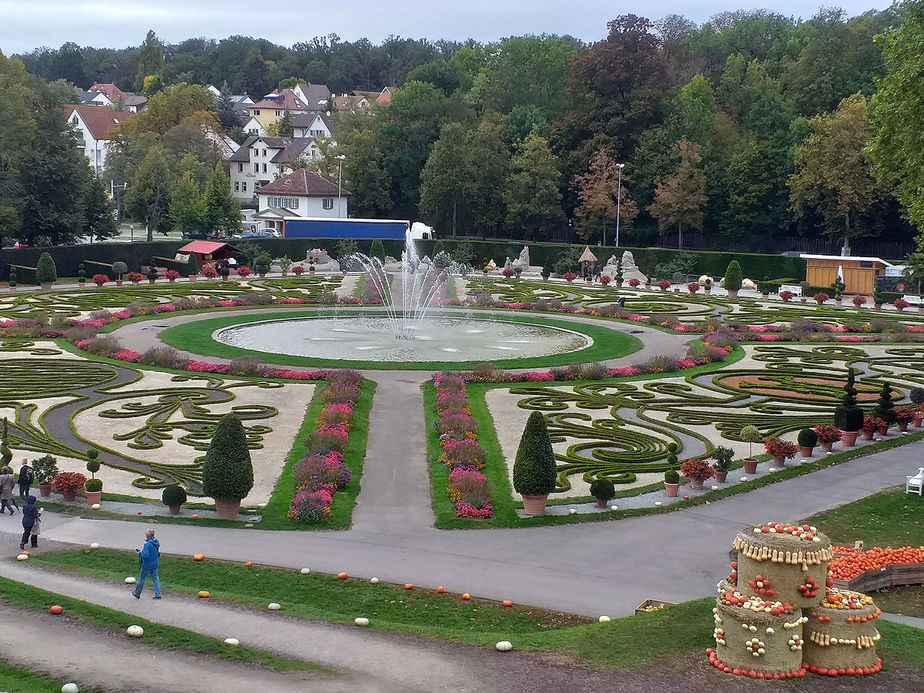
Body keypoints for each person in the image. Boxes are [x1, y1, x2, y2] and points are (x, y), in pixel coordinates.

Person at [133, 529, 161, 599]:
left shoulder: (147, 544)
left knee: (142, 579)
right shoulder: (156, 542)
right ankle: (158, 594)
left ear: (148, 535)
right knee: (155, 578)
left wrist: (139, 553)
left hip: (147, 564)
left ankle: (137, 593)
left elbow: (145, 555)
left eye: (146, 534)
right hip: (155, 563)